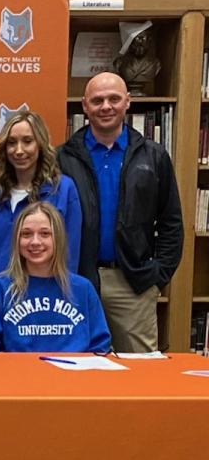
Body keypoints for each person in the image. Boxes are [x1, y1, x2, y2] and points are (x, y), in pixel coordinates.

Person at [57, 72, 182, 353]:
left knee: (139, 374)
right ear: (84, 106)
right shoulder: (61, 158)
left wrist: (156, 277)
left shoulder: (154, 156)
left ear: (128, 102)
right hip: (76, 280)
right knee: (77, 369)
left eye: (114, 99)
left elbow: (171, 221)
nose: (106, 106)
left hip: (132, 282)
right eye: (97, 100)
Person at [0, 110, 82, 326]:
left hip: (38, 307)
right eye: (12, 143)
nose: (19, 150)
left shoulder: (62, 191)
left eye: (27, 141)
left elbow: (69, 257)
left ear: (41, 145)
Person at [0, 201, 110, 353]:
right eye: (26, 234)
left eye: (45, 234)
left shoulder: (83, 289)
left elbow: (100, 347)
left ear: (58, 239)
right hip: (17, 376)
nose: (35, 242)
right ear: (17, 240)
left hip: (73, 376)